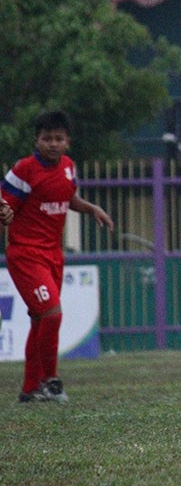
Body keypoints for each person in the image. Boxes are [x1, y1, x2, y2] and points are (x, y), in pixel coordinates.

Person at [2, 110, 113, 403]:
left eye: (58, 138)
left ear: (68, 142)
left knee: (41, 319)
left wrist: (92, 209)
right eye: (46, 138)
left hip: (53, 255)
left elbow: (67, 198)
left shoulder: (67, 167)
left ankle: (29, 390)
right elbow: (4, 204)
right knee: (52, 313)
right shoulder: (24, 170)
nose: (52, 143)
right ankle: (50, 381)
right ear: (36, 141)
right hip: (26, 254)